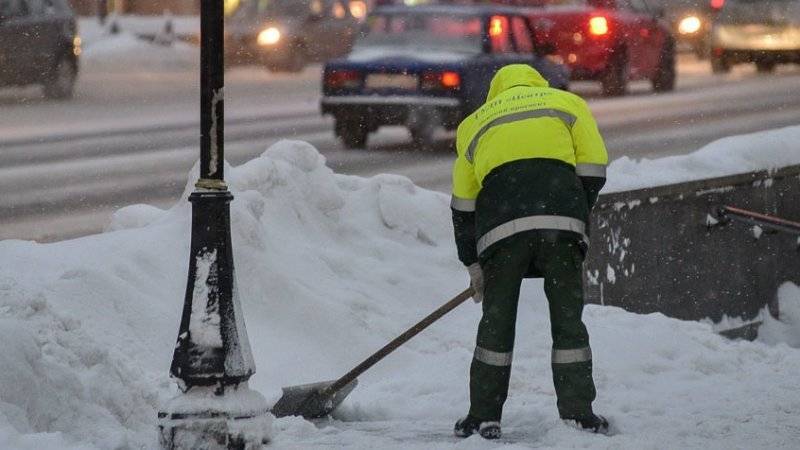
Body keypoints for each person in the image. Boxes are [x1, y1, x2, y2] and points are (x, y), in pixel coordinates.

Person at [450, 64, 609, 440]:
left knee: (497, 321)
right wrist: (574, 213)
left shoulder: (474, 123)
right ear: (539, 83)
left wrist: (472, 261)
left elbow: (463, 206)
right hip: (562, 221)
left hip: (500, 229)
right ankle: (578, 413)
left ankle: (483, 415)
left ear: (495, 93)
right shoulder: (567, 103)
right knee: (568, 319)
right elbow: (593, 167)